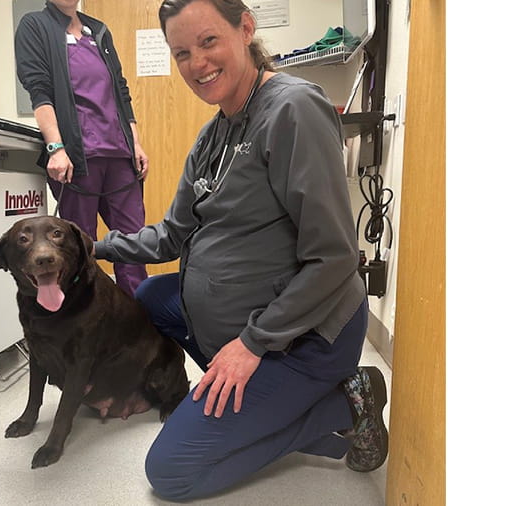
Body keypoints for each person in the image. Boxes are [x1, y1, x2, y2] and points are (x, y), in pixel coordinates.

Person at [92, 0, 390, 501]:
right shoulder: (212, 136)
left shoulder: (294, 110)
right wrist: (94, 246)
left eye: (208, 41)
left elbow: (335, 258)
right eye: (181, 52)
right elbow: (171, 235)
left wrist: (252, 343)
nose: (197, 63)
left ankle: (346, 404)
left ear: (246, 28)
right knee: (149, 299)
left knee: (171, 471)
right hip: (248, 316)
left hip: (307, 336)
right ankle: (261, 404)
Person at [15, 0, 149, 297]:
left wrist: (135, 143)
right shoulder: (35, 26)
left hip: (120, 155)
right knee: (80, 251)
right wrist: (56, 148)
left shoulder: (98, 30)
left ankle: (138, 317)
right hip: (77, 158)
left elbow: (121, 91)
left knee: (133, 245)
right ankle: (88, 319)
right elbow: (39, 89)